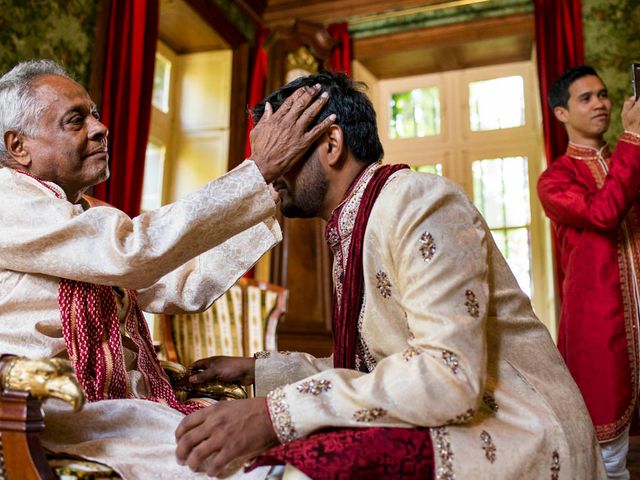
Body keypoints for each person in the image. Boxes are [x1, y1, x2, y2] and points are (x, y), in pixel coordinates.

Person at [176, 71, 606, 479]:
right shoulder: (355, 223)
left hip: (518, 429)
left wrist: (275, 413)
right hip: (456, 419)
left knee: (286, 468)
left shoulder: (418, 201)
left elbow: (446, 375)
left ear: (330, 143)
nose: (266, 172)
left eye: (277, 153)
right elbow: (378, 368)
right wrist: (258, 371)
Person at [0, 59, 335, 479]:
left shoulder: (79, 216)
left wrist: (270, 187)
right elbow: (131, 253)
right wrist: (256, 171)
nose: (101, 128)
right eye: (76, 120)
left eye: (96, 115)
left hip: (130, 409)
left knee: (293, 440)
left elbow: (185, 285)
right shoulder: (6, 200)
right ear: (18, 146)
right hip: (64, 416)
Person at [537, 64, 640, 480]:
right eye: (586, 98)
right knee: (609, 457)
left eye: (603, 94)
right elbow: (604, 212)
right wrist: (633, 138)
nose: (600, 103)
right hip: (601, 328)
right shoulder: (555, 179)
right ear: (562, 113)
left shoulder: (628, 161)